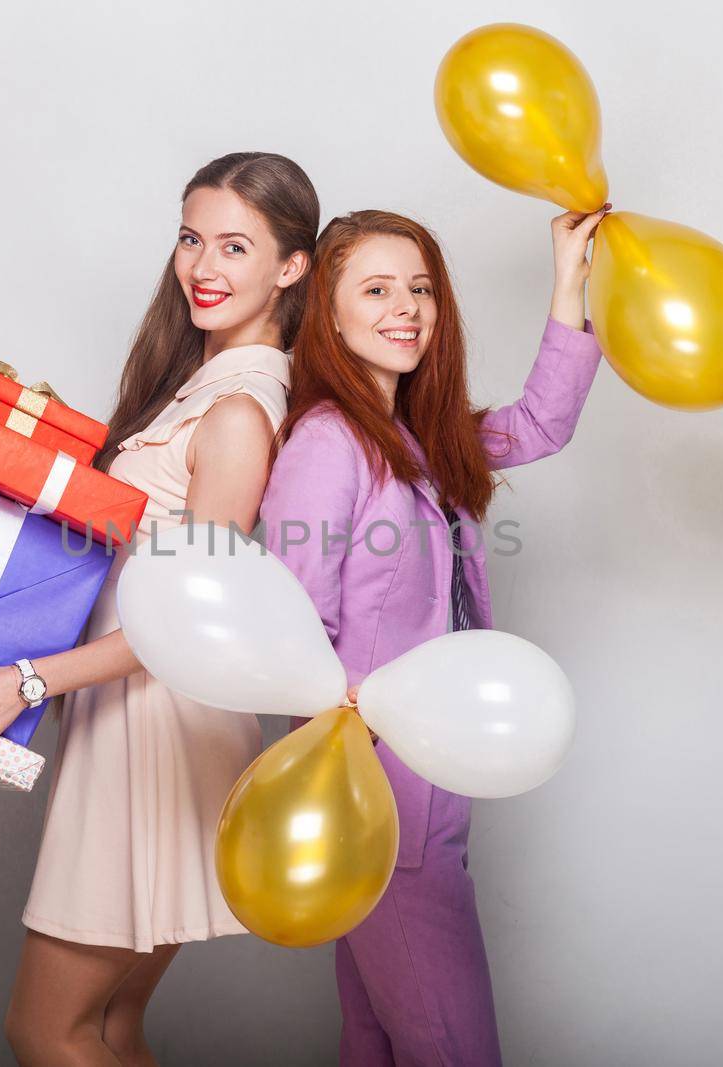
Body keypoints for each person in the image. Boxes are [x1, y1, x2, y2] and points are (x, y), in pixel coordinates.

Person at [0, 152, 319, 1066]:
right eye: (192, 238)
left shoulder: (242, 410)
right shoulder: (200, 387)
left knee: (46, 1030)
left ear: (291, 268)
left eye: (237, 246)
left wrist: (25, 679)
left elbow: (199, 620)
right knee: (109, 1026)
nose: (205, 265)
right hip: (140, 714)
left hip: (155, 725)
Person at [258, 205, 609, 1065]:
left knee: (377, 1034)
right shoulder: (329, 443)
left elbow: (539, 425)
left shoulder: (420, 435)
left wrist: (569, 279)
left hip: (431, 772)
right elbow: (293, 629)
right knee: (450, 1044)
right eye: (376, 289)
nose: (406, 307)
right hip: (377, 788)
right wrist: (347, 766)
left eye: (419, 288)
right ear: (328, 316)